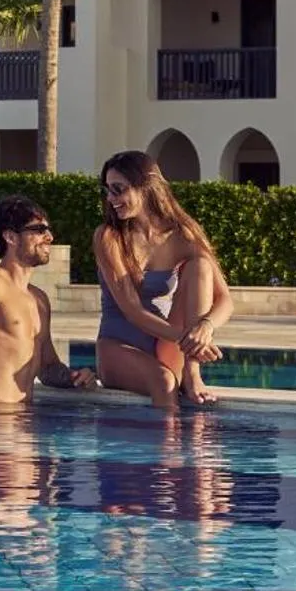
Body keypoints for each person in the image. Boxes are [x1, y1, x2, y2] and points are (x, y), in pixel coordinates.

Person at [93, 151, 233, 409]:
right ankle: (168, 449)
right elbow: (132, 310)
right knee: (164, 381)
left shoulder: (182, 234)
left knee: (200, 266)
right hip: (118, 347)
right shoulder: (109, 237)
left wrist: (205, 329)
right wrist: (189, 340)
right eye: (108, 190)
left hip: (167, 344)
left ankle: (192, 375)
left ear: (145, 186)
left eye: (118, 189)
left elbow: (225, 300)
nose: (111, 199)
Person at [0, 194, 97, 410]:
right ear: (10, 237)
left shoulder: (39, 299)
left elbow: (47, 367)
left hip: (22, 422)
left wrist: (73, 377)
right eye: (38, 230)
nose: (49, 237)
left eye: (48, 229)